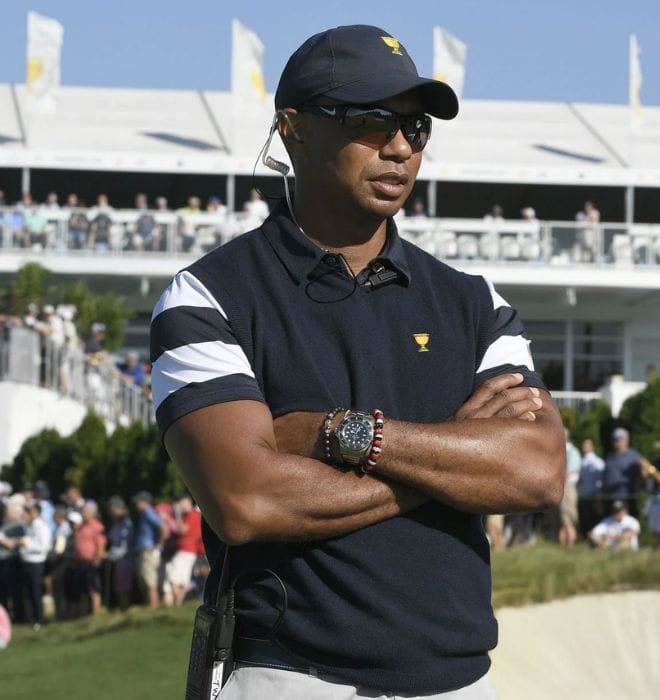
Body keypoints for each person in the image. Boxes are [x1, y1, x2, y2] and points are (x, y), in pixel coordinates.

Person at [151, 25, 563, 699]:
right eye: (373, 119)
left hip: (460, 685)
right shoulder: (207, 295)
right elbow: (245, 499)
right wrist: (458, 461)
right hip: (290, 677)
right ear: (293, 129)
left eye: (415, 126)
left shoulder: (473, 301)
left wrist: (340, 435)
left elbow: (539, 472)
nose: (400, 145)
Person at [601, 427, 655, 518]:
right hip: (609, 497)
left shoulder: (633, 455)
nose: (617, 442)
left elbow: (648, 467)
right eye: (615, 440)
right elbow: (604, 478)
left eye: (620, 439)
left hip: (627, 497)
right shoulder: (609, 457)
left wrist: (653, 473)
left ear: (627, 440)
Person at [16, 501, 50, 629]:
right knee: (30, 593)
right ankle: (34, 619)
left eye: (28, 512)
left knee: (36, 592)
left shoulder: (41, 526)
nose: (26, 514)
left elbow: (43, 546)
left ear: (35, 512)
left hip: (36, 563)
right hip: (27, 562)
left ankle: (40, 620)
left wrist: (26, 543)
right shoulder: (30, 526)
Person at [166, 493, 203, 605]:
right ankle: (178, 604)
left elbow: (182, 530)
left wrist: (177, 514)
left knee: (172, 578)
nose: (180, 505)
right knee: (181, 581)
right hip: (188, 551)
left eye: (181, 502)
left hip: (185, 550)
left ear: (187, 501)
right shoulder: (190, 515)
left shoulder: (192, 514)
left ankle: (177, 603)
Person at [131, 491, 166, 608]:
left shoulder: (148, 512)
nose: (136, 504)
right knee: (145, 583)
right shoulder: (144, 514)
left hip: (148, 551)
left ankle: (153, 607)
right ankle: (150, 607)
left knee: (150, 582)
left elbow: (163, 527)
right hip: (143, 551)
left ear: (145, 502)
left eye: (138, 502)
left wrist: (158, 545)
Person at [71, 502, 107, 616]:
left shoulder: (97, 527)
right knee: (83, 592)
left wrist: (97, 561)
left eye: (86, 512)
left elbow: (100, 545)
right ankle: (84, 616)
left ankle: (96, 615)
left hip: (92, 562)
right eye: (83, 512)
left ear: (93, 513)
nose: (84, 514)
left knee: (94, 590)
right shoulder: (80, 527)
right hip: (80, 563)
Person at [105, 496, 135, 610]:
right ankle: (123, 609)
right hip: (118, 561)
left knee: (124, 588)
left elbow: (125, 546)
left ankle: (126, 609)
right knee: (118, 588)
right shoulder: (116, 524)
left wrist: (111, 555)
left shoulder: (127, 524)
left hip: (125, 560)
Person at [577, 437, 605, 537]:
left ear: (592, 447)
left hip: (594, 495)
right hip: (583, 495)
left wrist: (599, 495)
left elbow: (601, 481)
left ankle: (594, 539)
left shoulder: (598, 462)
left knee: (594, 518)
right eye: (584, 445)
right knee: (584, 519)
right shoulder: (581, 461)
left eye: (588, 445)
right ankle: (586, 538)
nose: (585, 447)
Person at [559, 429, 581, 547]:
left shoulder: (572, 452)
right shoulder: (564, 451)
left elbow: (569, 471)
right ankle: (566, 544)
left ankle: (571, 544)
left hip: (568, 487)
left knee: (569, 517)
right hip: (563, 487)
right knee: (564, 518)